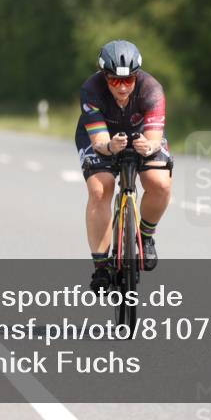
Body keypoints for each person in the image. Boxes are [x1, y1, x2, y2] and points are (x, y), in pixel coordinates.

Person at [75, 40, 173, 293]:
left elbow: (153, 140)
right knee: (100, 189)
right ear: (104, 76)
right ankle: (101, 266)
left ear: (136, 76)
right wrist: (109, 147)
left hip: (141, 135)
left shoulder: (151, 89)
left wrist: (149, 148)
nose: (122, 87)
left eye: (128, 80)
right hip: (103, 138)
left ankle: (146, 236)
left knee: (160, 183)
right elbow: (99, 142)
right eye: (114, 81)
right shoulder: (91, 89)